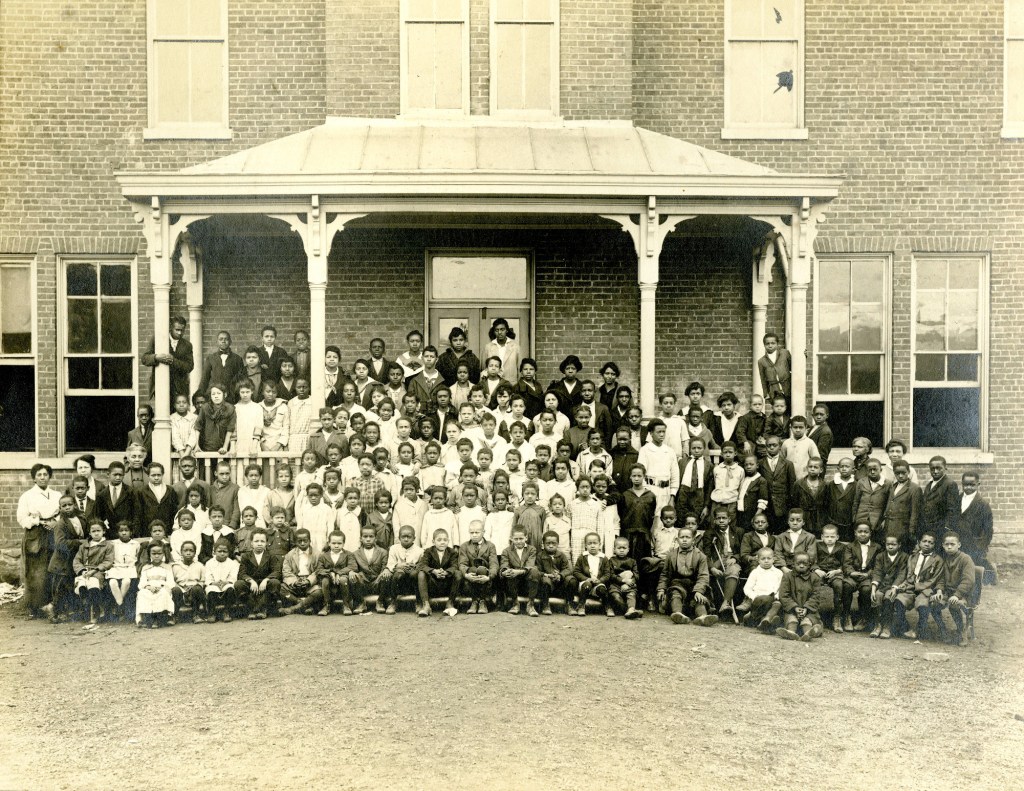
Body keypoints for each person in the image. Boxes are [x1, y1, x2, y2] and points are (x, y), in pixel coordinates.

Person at [657, 527, 716, 626]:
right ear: (677, 539)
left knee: (699, 598)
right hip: (677, 583)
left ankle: (702, 617)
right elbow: (665, 574)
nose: (684, 540)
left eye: (687, 537)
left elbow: (703, 576)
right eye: (682, 537)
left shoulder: (700, 556)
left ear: (693, 540)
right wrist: (661, 589)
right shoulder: (671, 555)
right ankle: (678, 614)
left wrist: (699, 591)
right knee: (675, 593)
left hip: (694, 584)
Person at [930, 532, 976, 647]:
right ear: (943, 545)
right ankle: (943, 630)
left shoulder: (965, 559)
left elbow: (968, 580)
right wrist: (939, 590)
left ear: (959, 545)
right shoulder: (943, 559)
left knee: (954, 604)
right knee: (934, 604)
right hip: (947, 593)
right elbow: (940, 577)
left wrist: (957, 594)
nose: (949, 547)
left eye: (952, 544)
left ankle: (961, 631)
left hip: (964, 594)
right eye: (947, 544)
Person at [894, 531, 942, 640]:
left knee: (923, 604)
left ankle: (921, 628)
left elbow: (933, 579)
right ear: (919, 543)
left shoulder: (938, 560)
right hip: (910, 587)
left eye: (930, 542)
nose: (927, 544)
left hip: (925, 589)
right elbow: (909, 574)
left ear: (934, 545)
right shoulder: (913, 557)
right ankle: (905, 628)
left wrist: (917, 586)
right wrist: (905, 584)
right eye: (924, 541)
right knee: (899, 600)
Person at [47, 495, 86, 621]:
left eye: (70, 504)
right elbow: (60, 544)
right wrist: (78, 542)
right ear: (60, 508)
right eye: (64, 506)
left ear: (75, 505)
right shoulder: (60, 524)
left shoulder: (81, 519)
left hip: (73, 560)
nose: (67, 508)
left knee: (69, 588)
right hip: (62, 562)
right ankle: (52, 611)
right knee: (59, 589)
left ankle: (67, 612)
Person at [141, 315, 194, 406]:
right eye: (177, 330)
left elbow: (189, 366)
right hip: (161, 385)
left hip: (179, 388)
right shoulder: (158, 339)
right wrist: (156, 357)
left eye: (182, 330)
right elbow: (144, 359)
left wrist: (174, 361)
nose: (180, 333)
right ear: (171, 328)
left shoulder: (187, 345)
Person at [701, 506, 743, 618]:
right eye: (718, 518)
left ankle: (726, 603)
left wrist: (735, 558)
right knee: (707, 573)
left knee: (733, 570)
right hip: (717, 560)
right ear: (714, 520)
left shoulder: (738, 531)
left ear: (729, 519)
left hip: (732, 560)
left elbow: (742, 551)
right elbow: (706, 554)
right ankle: (710, 605)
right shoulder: (709, 533)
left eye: (724, 518)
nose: (721, 520)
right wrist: (712, 568)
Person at [234, 528, 283, 619]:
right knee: (239, 584)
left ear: (266, 543)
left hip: (265, 585)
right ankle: (251, 609)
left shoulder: (271, 556)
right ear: (251, 543)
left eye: (262, 541)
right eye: (256, 541)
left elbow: (277, 571)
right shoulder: (246, 556)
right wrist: (251, 581)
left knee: (275, 583)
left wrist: (266, 580)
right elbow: (242, 573)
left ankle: (262, 609)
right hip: (252, 585)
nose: (259, 544)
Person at [841, 523, 881, 632]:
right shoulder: (849, 546)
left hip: (867, 575)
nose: (863, 534)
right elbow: (846, 563)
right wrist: (852, 573)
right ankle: (846, 616)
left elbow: (878, 565)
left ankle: (863, 617)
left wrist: (868, 574)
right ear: (855, 533)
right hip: (853, 575)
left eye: (866, 532)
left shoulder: (877, 547)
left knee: (866, 589)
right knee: (847, 585)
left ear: (870, 533)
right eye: (860, 532)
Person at [776, 552, 823, 641]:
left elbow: (816, 596)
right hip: (791, 609)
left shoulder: (815, 578)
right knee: (791, 619)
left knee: (807, 621)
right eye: (798, 564)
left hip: (809, 610)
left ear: (809, 565)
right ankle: (791, 632)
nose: (801, 566)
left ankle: (808, 633)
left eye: (805, 564)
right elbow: (784, 595)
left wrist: (806, 608)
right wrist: (795, 608)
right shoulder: (787, 576)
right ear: (793, 564)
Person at [416, 527, 461, 617]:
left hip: (446, 584)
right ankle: (426, 605)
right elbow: (422, 565)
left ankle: (450, 603)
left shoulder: (452, 552)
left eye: (445, 540)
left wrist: (447, 572)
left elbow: (455, 565)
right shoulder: (428, 551)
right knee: (421, 573)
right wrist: (433, 571)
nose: (442, 542)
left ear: (448, 541)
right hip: (433, 583)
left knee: (458, 573)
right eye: (439, 540)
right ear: (433, 541)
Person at [869, 535, 908, 639]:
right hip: (882, 585)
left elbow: (902, 574)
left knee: (888, 598)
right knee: (877, 596)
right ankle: (878, 625)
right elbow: (877, 572)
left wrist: (895, 587)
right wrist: (873, 588)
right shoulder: (880, 556)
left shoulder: (904, 557)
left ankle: (887, 626)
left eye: (893, 544)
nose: (890, 547)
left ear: (899, 545)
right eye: (888, 544)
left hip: (894, 586)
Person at [458, 520, 499, 614]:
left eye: (477, 532)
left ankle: (482, 601)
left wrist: (489, 577)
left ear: (483, 532)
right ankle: (474, 601)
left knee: (482, 569)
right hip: (470, 578)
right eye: (472, 532)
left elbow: (494, 564)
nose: (474, 535)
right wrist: (466, 574)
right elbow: (462, 564)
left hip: (486, 579)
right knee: (473, 569)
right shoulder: (464, 546)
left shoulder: (490, 546)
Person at [956, 471, 994, 570]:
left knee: (973, 569)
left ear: (978, 484)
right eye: (965, 485)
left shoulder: (983, 504)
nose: (968, 487)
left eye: (972, 485)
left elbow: (988, 530)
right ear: (962, 484)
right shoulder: (957, 500)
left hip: (974, 545)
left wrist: (981, 547)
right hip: (959, 543)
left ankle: (988, 573)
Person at [382, 525, 423, 614]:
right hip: (399, 581)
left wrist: (414, 566)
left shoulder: (419, 551)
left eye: (409, 537)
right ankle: (393, 602)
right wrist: (399, 565)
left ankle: (419, 602)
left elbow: (422, 565)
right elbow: (390, 564)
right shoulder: (394, 548)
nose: (406, 539)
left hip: (412, 581)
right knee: (398, 574)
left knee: (415, 574)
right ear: (399, 537)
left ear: (414, 538)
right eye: (403, 537)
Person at [741, 547, 783, 632]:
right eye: (763, 559)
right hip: (758, 599)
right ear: (758, 560)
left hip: (772, 598)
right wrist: (754, 596)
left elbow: (781, 587)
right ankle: (752, 617)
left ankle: (766, 620)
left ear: (773, 559)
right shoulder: (755, 572)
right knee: (767, 601)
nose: (766, 561)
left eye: (769, 558)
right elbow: (747, 588)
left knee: (778, 604)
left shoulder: (778, 573)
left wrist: (777, 596)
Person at [759, 435, 796, 533]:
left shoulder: (788, 464)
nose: (771, 448)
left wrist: (789, 504)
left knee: (781, 530)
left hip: (782, 504)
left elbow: (791, 485)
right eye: (769, 445)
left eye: (774, 445)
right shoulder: (760, 463)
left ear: (779, 446)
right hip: (766, 504)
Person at [535, 529, 576, 615]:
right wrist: (546, 575)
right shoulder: (540, 556)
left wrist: (560, 575)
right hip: (547, 585)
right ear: (543, 544)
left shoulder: (562, 555)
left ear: (558, 544)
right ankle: (545, 605)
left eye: (553, 543)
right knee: (545, 580)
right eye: (548, 544)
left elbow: (568, 569)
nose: (550, 546)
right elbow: (537, 570)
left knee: (571, 580)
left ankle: (570, 604)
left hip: (560, 584)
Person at [350, 525, 389, 614]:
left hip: (378, 582)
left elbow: (384, 567)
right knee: (353, 576)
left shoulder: (383, 552)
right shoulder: (355, 554)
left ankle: (380, 602)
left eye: (371, 537)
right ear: (360, 539)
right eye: (365, 536)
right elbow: (354, 568)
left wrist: (382, 574)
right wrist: (351, 572)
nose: (368, 539)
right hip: (363, 583)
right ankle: (361, 602)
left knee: (387, 574)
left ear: (375, 538)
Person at [813, 524, 846, 633]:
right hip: (821, 572)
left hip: (835, 573)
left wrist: (837, 571)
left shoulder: (842, 547)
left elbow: (846, 564)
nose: (829, 539)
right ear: (822, 537)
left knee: (839, 585)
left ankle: (837, 617)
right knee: (814, 584)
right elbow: (812, 560)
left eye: (832, 537)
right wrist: (817, 569)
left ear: (837, 537)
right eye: (827, 537)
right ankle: (815, 616)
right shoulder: (817, 546)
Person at [135, 542, 175, 628]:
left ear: (163, 554)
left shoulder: (167, 567)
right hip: (149, 588)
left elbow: (171, 582)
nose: (156, 556)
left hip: (162, 588)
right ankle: (145, 618)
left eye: (159, 553)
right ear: (149, 554)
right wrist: (148, 587)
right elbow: (142, 582)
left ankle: (158, 618)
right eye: (154, 554)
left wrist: (161, 587)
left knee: (163, 594)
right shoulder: (146, 567)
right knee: (142, 594)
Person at [572, 531, 611, 617]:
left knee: (602, 589)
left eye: (595, 543)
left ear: (599, 544)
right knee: (587, 585)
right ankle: (581, 606)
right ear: (585, 545)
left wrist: (600, 580)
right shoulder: (582, 557)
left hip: (598, 583)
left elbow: (607, 574)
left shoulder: (603, 558)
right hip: (586, 583)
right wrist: (586, 579)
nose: (592, 546)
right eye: (589, 543)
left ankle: (607, 607)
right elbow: (576, 572)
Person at [851, 458, 892, 542]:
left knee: (876, 541)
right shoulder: (861, 482)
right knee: (860, 540)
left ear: (880, 470)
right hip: (861, 517)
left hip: (877, 519)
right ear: (866, 470)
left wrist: (885, 519)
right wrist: (854, 517)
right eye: (870, 470)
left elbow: (889, 503)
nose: (872, 472)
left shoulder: (887, 483)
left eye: (875, 469)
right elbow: (856, 501)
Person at [499, 526, 537, 614]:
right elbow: (504, 565)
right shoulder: (506, 551)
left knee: (534, 571)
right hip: (514, 583)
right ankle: (515, 603)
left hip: (528, 582)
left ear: (526, 538)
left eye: (521, 538)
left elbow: (530, 565)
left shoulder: (532, 549)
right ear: (511, 539)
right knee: (510, 572)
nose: (519, 541)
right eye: (516, 539)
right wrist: (505, 572)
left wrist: (518, 572)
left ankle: (531, 605)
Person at [199, 331, 244, 404]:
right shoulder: (211, 358)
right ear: (217, 342)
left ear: (230, 342)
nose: (223, 341)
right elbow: (204, 379)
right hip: (214, 396)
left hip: (231, 398)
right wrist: (200, 396)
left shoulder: (237, 359)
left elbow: (241, 379)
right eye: (221, 339)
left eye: (226, 339)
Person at [96, 461, 138, 539]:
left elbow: (136, 515)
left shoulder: (131, 492)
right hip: (109, 535)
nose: (118, 478)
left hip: (127, 534)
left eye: (120, 475)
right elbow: (99, 516)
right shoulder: (101, 495)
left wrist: (133, 532)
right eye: (115, 475)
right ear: (108, 474)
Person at [107, 522, 139, 622]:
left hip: (129, 568)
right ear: (117, 532)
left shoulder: (135, 544)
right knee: (112, 582)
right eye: (121, 531)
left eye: (126, 530)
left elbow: (137, 556)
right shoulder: (113, 543)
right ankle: (120, 603)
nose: (124, 533)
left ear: (131, 532)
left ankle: (119, 606)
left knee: (126, 581)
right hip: (116, 567)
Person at [138, 462, 178, 538]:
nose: (156, 478)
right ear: (148, 475)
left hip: (167, 529)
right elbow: (138, 513)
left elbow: (174, 511)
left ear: (162, 474)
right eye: (153, 475)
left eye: (159, 475)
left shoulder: (170, 490)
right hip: (147, 530)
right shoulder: (141, 491)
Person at [822, 457, 857, 542]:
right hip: (834, 519)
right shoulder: (831, 484)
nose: (844, 469)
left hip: (849, 521)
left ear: (853, 469)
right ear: (838, 468)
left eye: (847, 466)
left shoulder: (856, 484)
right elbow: (826, 502)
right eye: (842, 466)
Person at [170, 540, 207, 623]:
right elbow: (172, 581)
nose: (188, 553)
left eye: (191, 551)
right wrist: (181, 588)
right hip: (180, 590)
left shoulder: (199, 566)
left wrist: (196, 585)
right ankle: (174, 616)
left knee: (197, 589)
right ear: (181, 552)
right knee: (175, 590)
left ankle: (196, 614)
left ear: (195, 553)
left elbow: (203, 580)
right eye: (185, 550)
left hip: (194, 590)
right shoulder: (175, 566)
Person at [790, 456, 826, 537]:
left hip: (819, 518)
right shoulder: (799, 484)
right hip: (804, 517)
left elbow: (827, 503)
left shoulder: (825, 485)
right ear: (807, 468)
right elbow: (794, 502)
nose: (812, 469)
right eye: (810, 467)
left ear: (821, 470)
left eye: (815, 467)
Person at [204, 540, 239, 622]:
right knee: (210, 590)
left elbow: (233, 577)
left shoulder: (233, 563)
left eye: (225, 551)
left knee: (230, 588)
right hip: (214, 584)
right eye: (219, 551)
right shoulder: (209, 563)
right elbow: (208, 576)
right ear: (214, 551)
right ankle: (212, 613)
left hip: (226, 584)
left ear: (228, 552)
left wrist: (226, 582)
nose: (222, 553)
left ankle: (227, 612)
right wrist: (213, 583)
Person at [774, 508, 817, 572]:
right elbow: (778, 553)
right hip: (785, 566)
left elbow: (811, 555)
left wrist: (801, 566)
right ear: (788, 522)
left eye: (798, 520)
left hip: (802, 567)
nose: (795, 523)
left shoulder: (810, 537)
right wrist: (783, 567)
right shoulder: (781, 537)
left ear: (803, 522)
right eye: (792, 520)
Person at [607, 536, 641, 618]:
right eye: (619, 548)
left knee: (631, 594)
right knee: (615, 596)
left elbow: (636, 575)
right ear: (614, 549)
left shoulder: (632, 561)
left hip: (629, 584)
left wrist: (629, 583)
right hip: (615, 585)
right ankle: (628, 611)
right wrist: (623, 580)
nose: (622, 550)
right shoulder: (611, 561)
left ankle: (631, 609)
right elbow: (610, 575)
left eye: (624, 548)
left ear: (628, 549)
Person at [782, 415, 820, 481]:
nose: (798, 430)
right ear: (791, 428)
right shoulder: (786, 443)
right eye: (795, 427)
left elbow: (816, 460)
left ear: (805, 428)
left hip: (805, 477)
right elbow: (782, 460)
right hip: (788, 478)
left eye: (801, 427)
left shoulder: (810, 443)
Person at [757, 331, 791, 402]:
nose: (770, 345)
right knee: (778, 409)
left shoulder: (784, 353)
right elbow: (763, 379)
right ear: (764, 345)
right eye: (767, 344)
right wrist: (766, 394)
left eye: (773, 343)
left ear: (777, 344)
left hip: (788, 387)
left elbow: (793, 366)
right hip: (774, 390)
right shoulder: (761, 361)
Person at [736, 393, 767, 459]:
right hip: (749, 442)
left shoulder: (765, 418)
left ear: (762, 405)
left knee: (767, 453)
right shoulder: (745, 418)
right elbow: (740, 432)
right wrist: (745, 442)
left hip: (760, 443)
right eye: (755, 404)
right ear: (750, 406)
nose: (757, 406)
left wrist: (764, 438)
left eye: (759, 404)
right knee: (749, 455)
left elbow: (767, 430)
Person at [808, 403, 834, 467]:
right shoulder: (812, 428)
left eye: (821, 414)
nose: (819, 417)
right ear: (812, 415)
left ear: (827, 416)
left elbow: (822, 455)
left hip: (816, 466)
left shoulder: (825, 431)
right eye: (816, 414)